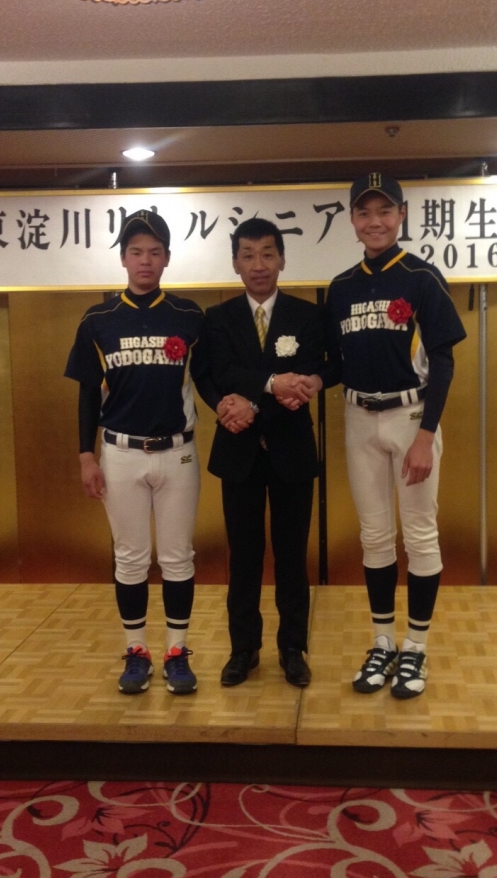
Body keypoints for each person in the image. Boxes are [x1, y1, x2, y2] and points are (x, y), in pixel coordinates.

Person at [305, 173, 466, 699]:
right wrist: (312, 381)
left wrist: (426, 435)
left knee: (419, 534)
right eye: (364, 212)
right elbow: (335, 363)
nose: (374, 221)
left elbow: (443, 361)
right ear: (352, 220)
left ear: (401, 215)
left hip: (411, 416)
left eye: (384, 211)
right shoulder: (341, 287)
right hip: (359, 418)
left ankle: (416, 647)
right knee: (374, 535)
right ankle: (382, 641)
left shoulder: (422, 278)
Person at [64, 209, 225, 697]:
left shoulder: (188, 316)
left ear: (168, 258)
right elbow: (88, 393)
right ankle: (136, 651)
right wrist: (85, 455)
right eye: (136, 251)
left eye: (155, 252)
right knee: (130, 559)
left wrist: (230, 406)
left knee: (177, 557)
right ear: (122, 258)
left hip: (177, 453)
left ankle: (177, 652)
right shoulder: (98, 320)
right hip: (120, 453)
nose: (145, 260)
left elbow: (208, 379)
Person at [206, 217, 323, 688]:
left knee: (292, 556)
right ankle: (243, 649)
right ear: (235, 263)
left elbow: (311, 370)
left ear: (282, 260)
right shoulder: (217, 318)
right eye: (249, 255)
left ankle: (292, 649)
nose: (259, 264)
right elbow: (216, 373)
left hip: (292, 451)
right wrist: (253, 393)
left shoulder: (307, 315)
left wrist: (260, 398)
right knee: (244, 556)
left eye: (268, 254)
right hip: (238, 450)